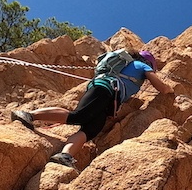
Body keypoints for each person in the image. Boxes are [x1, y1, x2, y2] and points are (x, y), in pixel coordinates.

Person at [11, 49, 173, 168]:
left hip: (108, 98)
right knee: (79, 116)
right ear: (148, 63)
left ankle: (65, 155)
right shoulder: (140, 65)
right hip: (105, 88)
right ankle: (28, 115)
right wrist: (169, 90)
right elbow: (160, 86)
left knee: (91, 129)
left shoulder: (132, 66)